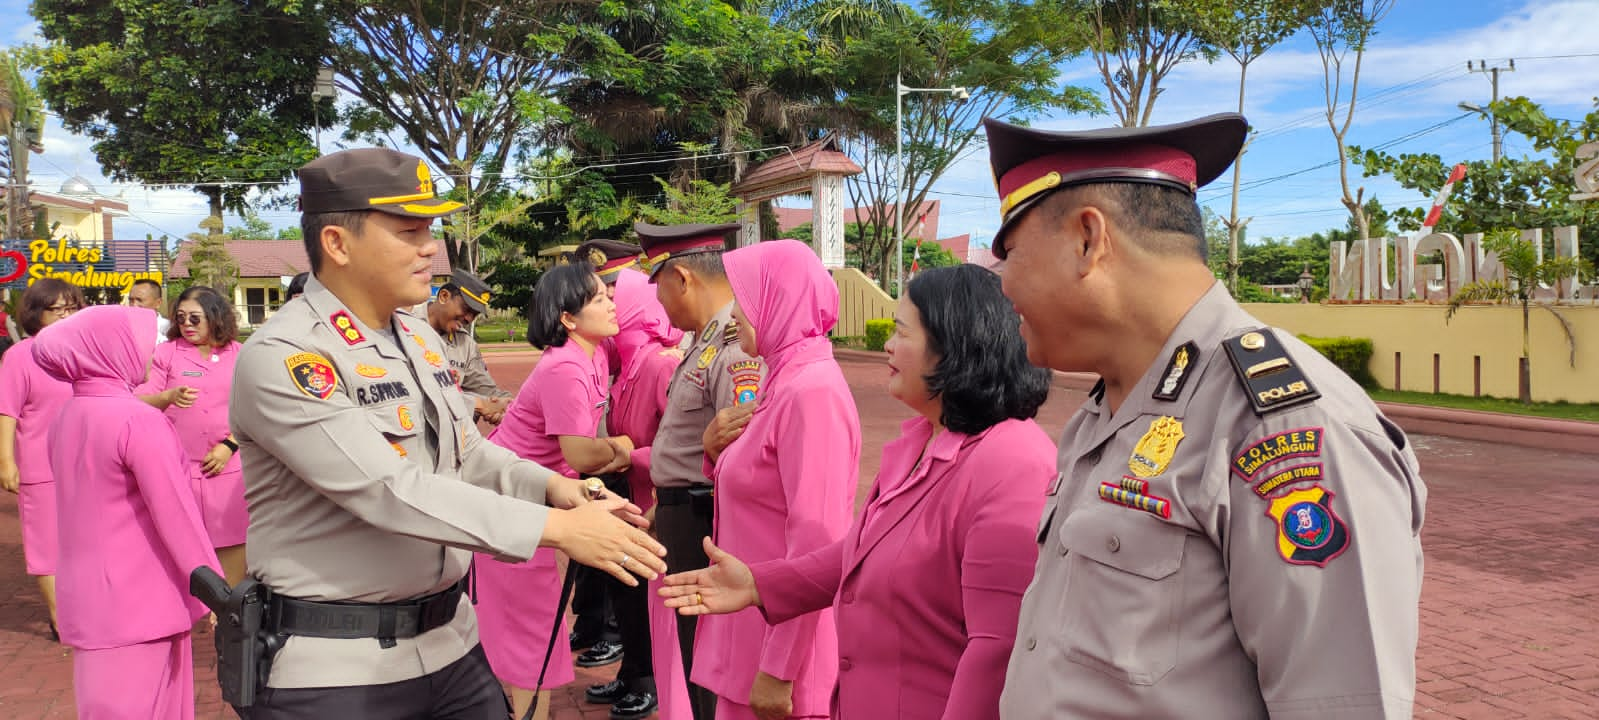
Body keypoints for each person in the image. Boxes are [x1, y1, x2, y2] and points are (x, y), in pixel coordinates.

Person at [982, 114, 1428, 719]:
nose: (1000, 279)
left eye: (1009, 252)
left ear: (1089, 238)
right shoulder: (1102, 415)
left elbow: (1344, 705)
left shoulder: (1283, 429)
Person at [228, 147, 666, 719]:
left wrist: (554, 488)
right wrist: (556, 528)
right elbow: (387, 488)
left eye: (430, 229)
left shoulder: (416, 337)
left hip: (451, 644)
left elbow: (467, 451)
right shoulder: (288, 355)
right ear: (337, 243)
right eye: (410, 231)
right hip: (339, 668)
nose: (430, 247)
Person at [660, 264, 1057, 719]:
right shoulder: (921, 440)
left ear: (954, 346)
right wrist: (759, 584)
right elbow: (861, 551)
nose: (887, 344)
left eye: (902, 332)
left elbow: (996, 651)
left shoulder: (1013, 461)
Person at [473, 261, 651, 720]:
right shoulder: (566, 367)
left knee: (533, 618)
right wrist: (623, 447)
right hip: (512, 498)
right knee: (530, 620)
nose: (612, 303)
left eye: (609, 295)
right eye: (598, 299)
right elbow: (580, 456)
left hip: (540, 492)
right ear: (568, 319)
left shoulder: (592, 351)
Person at [693, 239, 859, 720]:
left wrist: (779, 669)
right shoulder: (782, 376)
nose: (733, 313)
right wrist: (713, 452)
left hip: (780, 649)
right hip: (750, 630)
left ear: (778, 299)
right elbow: (760, 484)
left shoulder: (812, 393)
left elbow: (817, 540)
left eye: (744, 297)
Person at [33, 305, 221, 720]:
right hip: (143, 599)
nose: (153, 355)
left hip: (89, 597)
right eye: (144, 345)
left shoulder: (67, 415)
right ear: (111, 349)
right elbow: (177, 515)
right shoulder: (138, 420)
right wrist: (213, 588)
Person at [636, 220, 767, 720]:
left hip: (705, 521)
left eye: (660, 287)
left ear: (682, 278)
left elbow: (738, 450)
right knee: (695, 656)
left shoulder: (732, 344)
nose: (660, 304)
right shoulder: (704, 340)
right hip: (682, 513)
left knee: (709, 663)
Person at [600, 267, 692, 720]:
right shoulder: (623, 369)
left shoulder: (661, 364)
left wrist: (626, 457)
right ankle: (633, 669)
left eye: (613, 294)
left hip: (655, 503)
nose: (605, 301)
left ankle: (648, 680)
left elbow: (680, 442)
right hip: (628, 503)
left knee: (647, 598)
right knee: (627, 596)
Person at [137, 286, 249, 585]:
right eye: (181, 317)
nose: (187, 324)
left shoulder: (240, 355)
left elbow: (256, 409)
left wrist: (229, 446)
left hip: (227, 464)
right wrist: (167, 397)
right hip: (178, 465)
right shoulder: (167, 353)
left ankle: (227, 606)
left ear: (215, 318)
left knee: (232, 536)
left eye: (195, 318)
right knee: (179, 537)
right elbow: (138, 400)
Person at [0, 278, 84, 639]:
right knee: (47, 546)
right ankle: (59, 619)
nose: (66, 315)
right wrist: (6, 461)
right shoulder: (21, 355)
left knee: (86, 543)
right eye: (57, 309)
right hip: (42, 464)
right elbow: (7, 412)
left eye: (71, 307)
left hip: (89, 463)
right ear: (37, 313)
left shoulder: (86, 350)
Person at [423, 269, 513, 423]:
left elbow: (487, 391)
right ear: (444, 296)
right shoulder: (402, 325)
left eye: (475, 314)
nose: (469, 318)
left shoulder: (466, 345)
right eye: (466, 309)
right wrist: (480, 405)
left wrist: (512, 406)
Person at [128, 278, 170, 343]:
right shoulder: (125, 328)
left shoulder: (170, 329)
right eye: (131, 300)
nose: (134, 305)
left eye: (139, 300)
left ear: (158, 303)